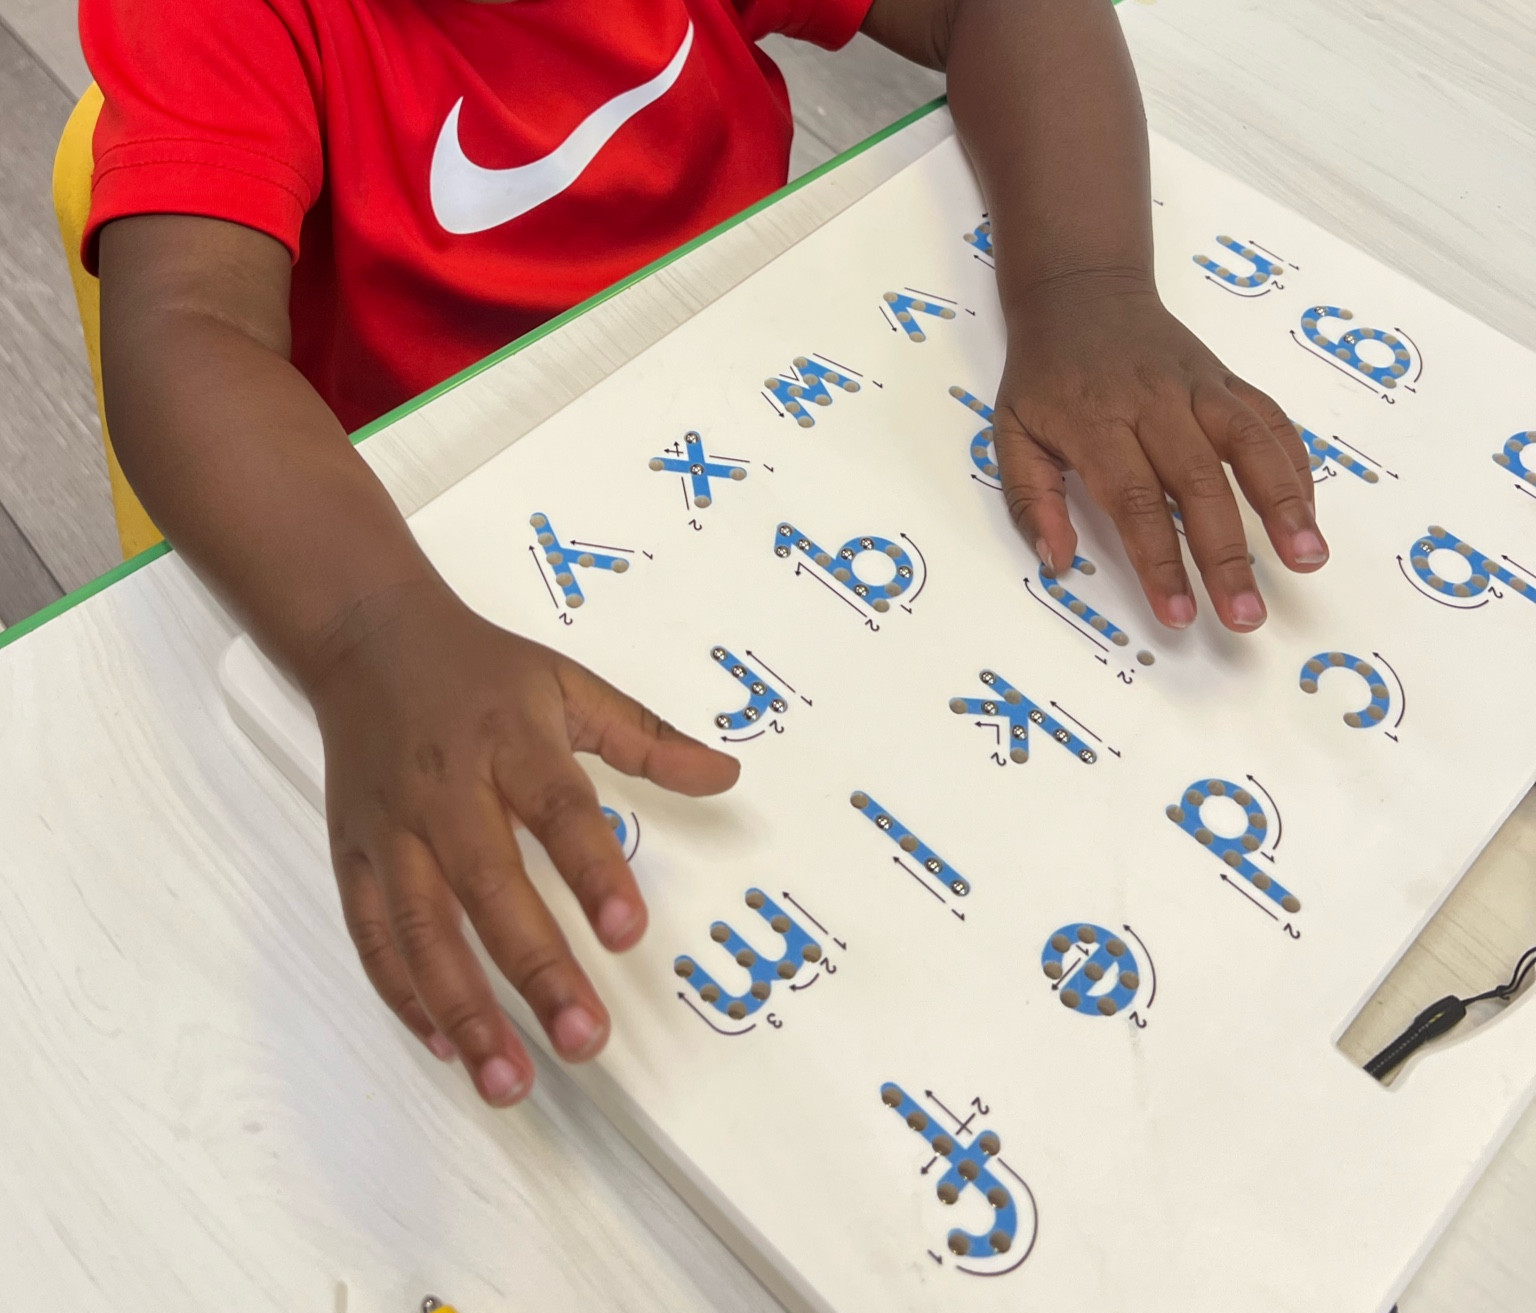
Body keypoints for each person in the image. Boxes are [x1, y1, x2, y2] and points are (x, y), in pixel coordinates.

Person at [85, 0, 1327, 1106]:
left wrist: (1084, 285)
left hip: (772, 454)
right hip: (439, 568)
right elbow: (185, 326)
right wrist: (365, 631)